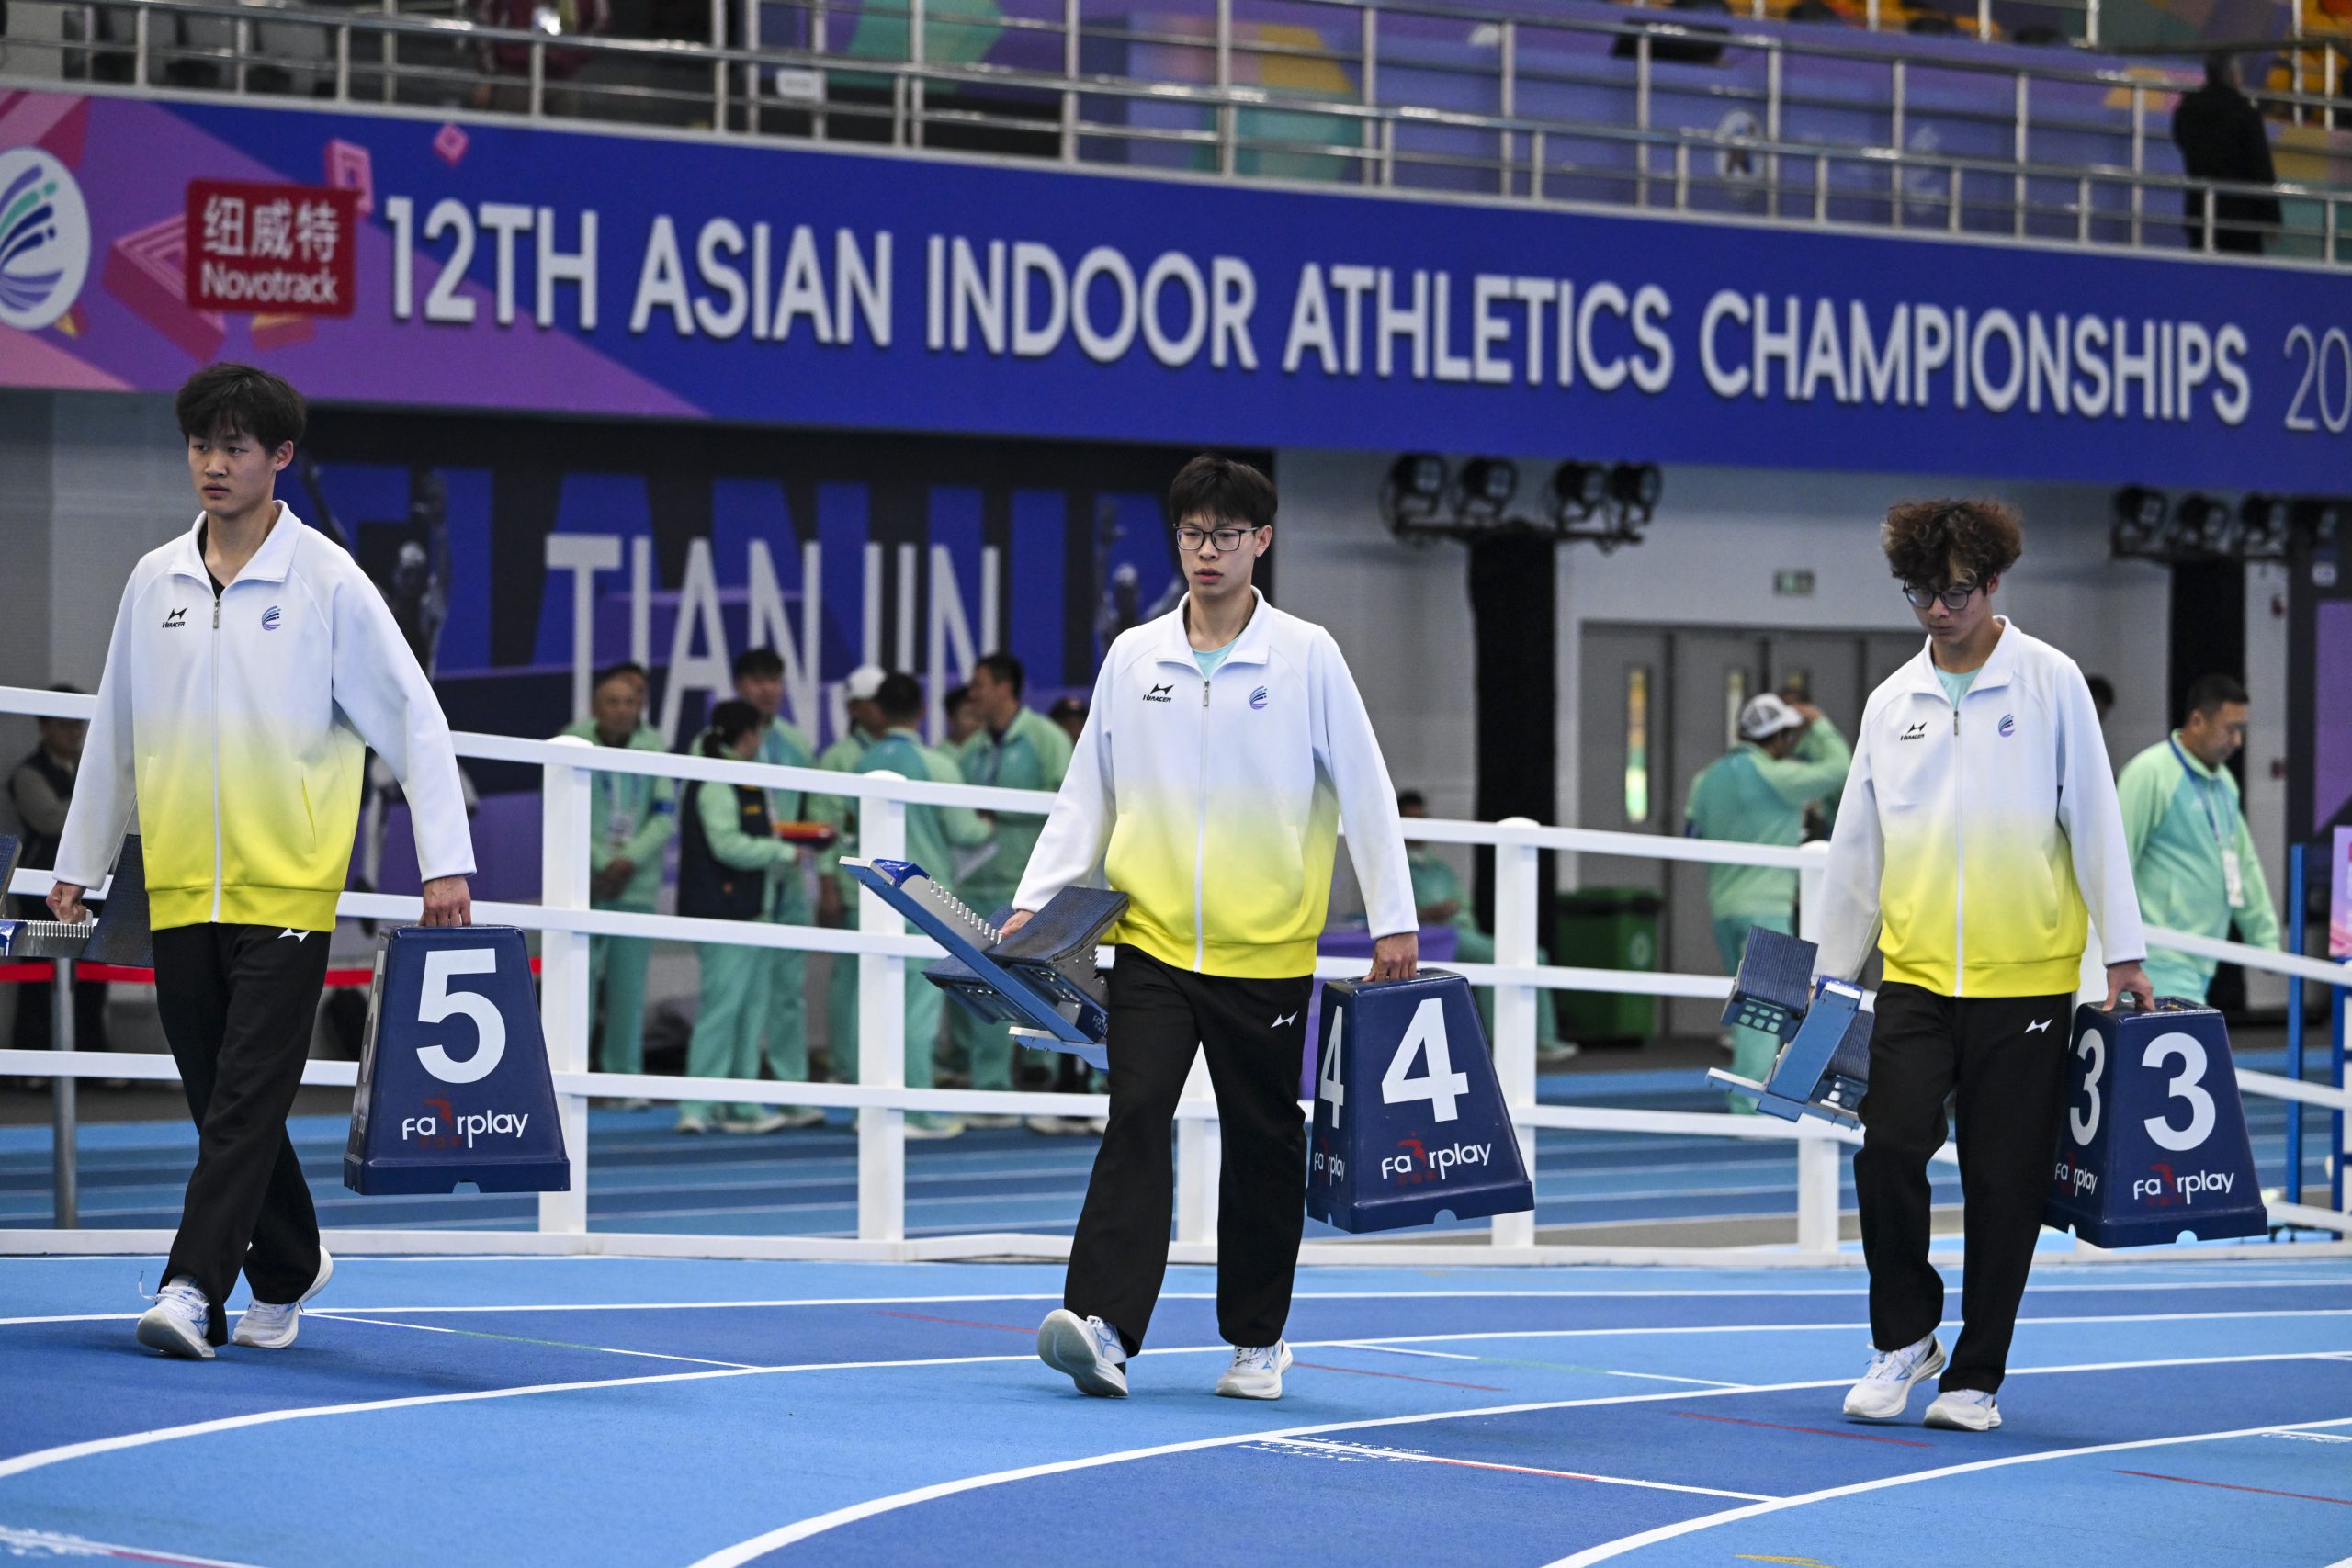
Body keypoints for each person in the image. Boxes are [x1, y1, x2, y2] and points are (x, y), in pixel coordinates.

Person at [50, 363, 475, 1359]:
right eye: (201, 445)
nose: (214, 463)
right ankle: (286, 1263)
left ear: (279, 456)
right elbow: (116, 730)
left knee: (243, 1097)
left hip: (289, 883)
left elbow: (414, 719)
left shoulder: (327, 580)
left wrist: (442, 861)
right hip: (178, 884)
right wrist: (79, 861)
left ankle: (191, 1289)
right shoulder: (154, 580)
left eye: (234, 447)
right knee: (221, 1099)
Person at [1014, 454, 1417, 1403]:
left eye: (1226, 535)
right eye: (1193, 534)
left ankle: (1256, 1339)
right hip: (1149, 941)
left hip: (1266, 949)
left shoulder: (1306, 655)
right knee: (1134, 1116)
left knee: (1262, 1139)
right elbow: (1088, 791)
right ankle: (1104, 1325)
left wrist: (1392, 919)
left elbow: (1365, 789)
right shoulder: (1134, 656)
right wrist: (1037, 900)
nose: (1207, 551)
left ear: (1260, 541)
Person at [1819, 498, 2149, 1433]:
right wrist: (1830, 975)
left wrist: (2122, 951)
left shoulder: (2049, 683)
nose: (1936, 608)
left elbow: (2094, 816)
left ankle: (1975, 1376)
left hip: (2028, 980)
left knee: (2004, 1183)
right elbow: (1856, 848)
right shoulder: (1892, 703)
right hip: (1916, 976)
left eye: (1955, 591)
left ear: (1993, 581)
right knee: (1889, 1149)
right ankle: (1904, 1337)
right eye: (1919, 591)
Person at [1684, 693, 1852, 1111]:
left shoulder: (1706, 779)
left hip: (1723, 907)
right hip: (1768, 906)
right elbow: (1841, 769)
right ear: (1778, 738)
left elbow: (1693, 831)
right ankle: (1748, 1111)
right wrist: (1819, 725)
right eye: (1789, 736)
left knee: (1748, 1010)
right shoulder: (1779, 777)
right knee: (1763, 1014)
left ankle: (1748, 1098)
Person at [842, 672, 991, 1139]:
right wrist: (989, 824)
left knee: (872, 1005)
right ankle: (916, 1113)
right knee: (916, 1014)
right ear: (923, 712)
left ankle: (868, 1108)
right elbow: (965, 831)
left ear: (877, 711)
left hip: (873, 900)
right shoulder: (938, 765)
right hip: (924, 903)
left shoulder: (861, 763)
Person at [953, 652, 1075, 1128]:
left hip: (1031, 892)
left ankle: (1059, 1087)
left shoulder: (1046, 740)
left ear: (1005, 688)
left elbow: (1072, 808)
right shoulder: (970, 750)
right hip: (977, 884)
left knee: (1050, 991)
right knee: (985, 990)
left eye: (979, 684)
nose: (971, 694)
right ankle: (991, 1090)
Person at [2117, 673, 2280, 1003]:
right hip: (2156, 958)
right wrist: (2116, 949)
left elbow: (2242, 865)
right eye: (2230, 729)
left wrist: (2265, 942)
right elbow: (2117, 862)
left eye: (2242, 731)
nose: (2237, 741)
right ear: (2197, 721)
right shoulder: (2150, 773)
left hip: (2202, 961)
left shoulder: (2224, 784)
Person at [674, 700, 797, 1135]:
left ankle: (740, 1105)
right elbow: (726, 845)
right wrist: (782, 851)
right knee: (722, 1010)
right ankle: (696, 1105)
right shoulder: (717, 781)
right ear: (748, 735)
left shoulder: (739, 778)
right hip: (725, 914)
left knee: (749, 1012)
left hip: (751, 910)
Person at [559, 661, 673, 1106]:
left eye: (630, 701)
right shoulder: (572, 739)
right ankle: (569, 1081)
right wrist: (603, 861)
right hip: (583, 884)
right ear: (595, 706)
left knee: (628, 990)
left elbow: (665, 816)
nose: (622, 709)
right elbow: (563, 810)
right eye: (612, 701)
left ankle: (623, 1083)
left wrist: (627, 860)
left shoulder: (653, 745)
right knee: (577, 987)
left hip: (634, 887)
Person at [1397, 790, 1574, 1065]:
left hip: (1465, 933)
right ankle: (1501, 1044)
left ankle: (1543, 1039)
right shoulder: (1395, 866)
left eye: (1422, 818)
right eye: (1412, 819)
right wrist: (1430, 914)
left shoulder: (1440, 868)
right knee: (1496, 959)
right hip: (1436, 938)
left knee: (1534, 955)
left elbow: (1463, 905)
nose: (1418, 826)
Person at [733, 647, 825, 1132]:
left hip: (789, 882)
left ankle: (790, 1091)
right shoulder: (717, 740)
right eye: (756, 679)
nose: (767, 689)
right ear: (739, 685)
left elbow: (809, 812)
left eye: (774, 679)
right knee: (741, 995)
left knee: (789, 994)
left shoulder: (796, 743)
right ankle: (740, 1096)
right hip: (742, 883)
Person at [8, 690, 111, 1069]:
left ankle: (93, 1062)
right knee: (38, 975)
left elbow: (110, 809)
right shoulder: (28, 773)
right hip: (42, 886)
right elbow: (50, 819)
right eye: (64, 724)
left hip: (92, 884)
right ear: (44, 727)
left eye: (77, 725)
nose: (74, 733)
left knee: (93, 975)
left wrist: (103, 804)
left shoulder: (91, 767)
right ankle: (31, 1064)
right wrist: (97, 804)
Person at [811, 664, 887, 1077]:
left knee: (883, 979)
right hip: (851, 885)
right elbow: (825, 828)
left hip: (891, 887)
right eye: (873, 702)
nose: (881, 708)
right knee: (850, 980)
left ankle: (878, 1067)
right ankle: (846, 1066)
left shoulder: (897, 752)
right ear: (854, 707)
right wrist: (827, 887)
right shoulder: (837, 758)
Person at [2172, 51, 2283, 254]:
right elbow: (2260, 166)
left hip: (2200, 209)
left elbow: (2181, 141)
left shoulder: (2187, 109)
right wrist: (2271, 217)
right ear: (2233, 75)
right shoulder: (2245, 113)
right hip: (2242, 217)